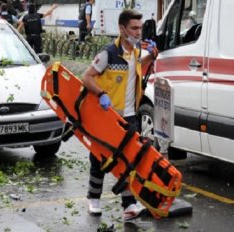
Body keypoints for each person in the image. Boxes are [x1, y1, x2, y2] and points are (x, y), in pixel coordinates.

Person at [81, 9, 158, 221]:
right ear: (122, 29)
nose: (138, 32)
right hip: (109, 117)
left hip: (130, 117)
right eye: (134, 28)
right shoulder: (108, 53)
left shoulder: (135, 53)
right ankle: (93, 198)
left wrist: (151, 54)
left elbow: (137, 69)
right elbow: (87, 77)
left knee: (129, 160)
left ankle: (129, 206)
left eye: (140, 28)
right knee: (100, 158)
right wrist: (101, 93)